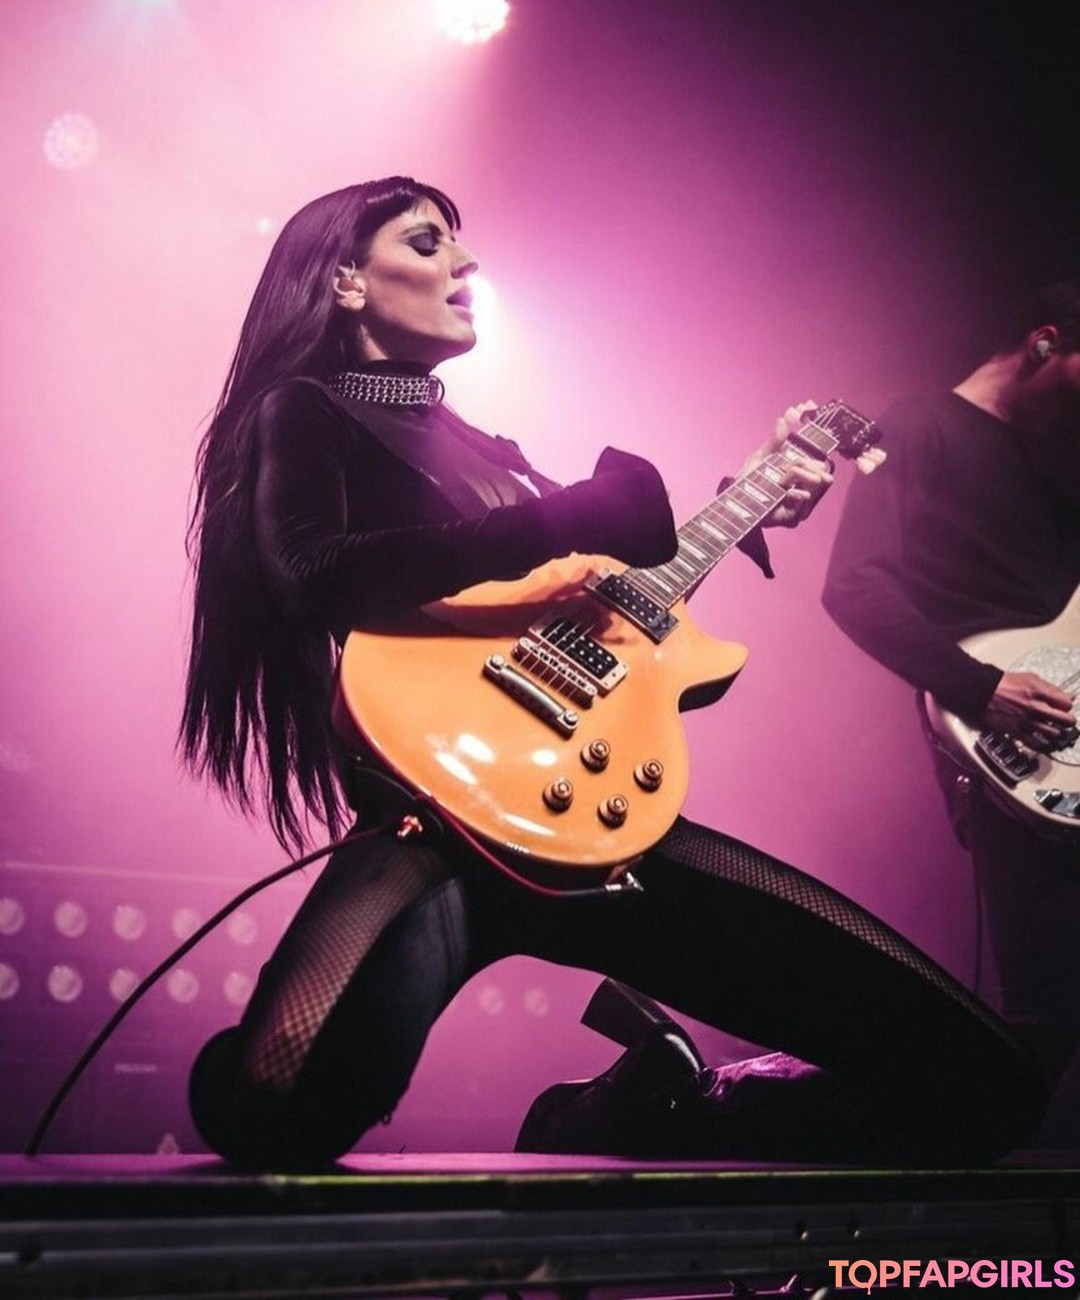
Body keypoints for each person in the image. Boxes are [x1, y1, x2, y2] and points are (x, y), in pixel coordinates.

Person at [181, 176, 1044, 1170]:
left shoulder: (485, 448)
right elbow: (310, 573)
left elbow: (613, 579)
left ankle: (664, 1107)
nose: (466, 262)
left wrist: (746, 491)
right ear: (345, 282)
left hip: (606, 835)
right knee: (270, 1106)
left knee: (991, 1087)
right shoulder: (308, 410)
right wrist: (562, 517)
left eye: (461, 243)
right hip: (435, 831)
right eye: (426, 243)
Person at [823, 274, 1080, 1146]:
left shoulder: (1049, 474)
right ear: (1044, 344)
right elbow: (854, 586)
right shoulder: (918, 424)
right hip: (1009, 755)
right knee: (1046, 1010)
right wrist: (983, 688)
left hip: (1060, 731)